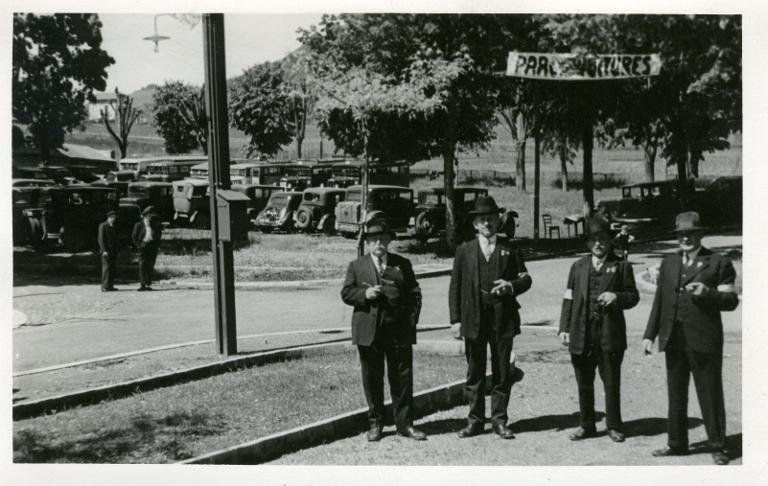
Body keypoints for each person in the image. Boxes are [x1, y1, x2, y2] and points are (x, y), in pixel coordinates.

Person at [642, 211, 739, 465]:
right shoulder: (669, 263)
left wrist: (708, 293)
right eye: (681, 234)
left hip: (704, 339)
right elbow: (660, 302)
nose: (685, 238)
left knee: (710, 393)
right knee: (676, 394)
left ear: (700, 235)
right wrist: (649, 335)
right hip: (673, 338)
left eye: (690, 234)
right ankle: (676, 443)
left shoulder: (718, 262)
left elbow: (731, 301)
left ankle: (718, 445)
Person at [449, 195, 532, 439]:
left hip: (502, 320)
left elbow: (526, 279)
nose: (487, 223)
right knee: (474, 372)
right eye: (482, 220)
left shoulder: (510, 249)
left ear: (498, 221)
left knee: (502, 372)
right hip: (474, 320)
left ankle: (499, 420)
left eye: (491, 219)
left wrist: (511, 286)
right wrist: (456, 320)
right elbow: (455, 287)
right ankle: (475, 421)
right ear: (475, 224)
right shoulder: (464, 250)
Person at [341, 216, 426, 442]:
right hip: (369, 333)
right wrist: (364, 295)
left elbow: (415, 296)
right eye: (373, 239)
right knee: (372, 378)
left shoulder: (402, 264)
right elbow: (346, 293)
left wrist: (410, 323)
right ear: (367, 243)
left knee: (401, 379)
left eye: (382, 239)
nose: (378, 243)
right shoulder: (356, 266)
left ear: (389, 241)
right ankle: (376, 423)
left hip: (398, 332)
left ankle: (405, 424)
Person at [558, 217, 639, 443]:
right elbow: (568, 298)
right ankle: (587, 425)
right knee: (584, 381)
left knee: (611, 381)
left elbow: (633, 296)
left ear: (610, 241)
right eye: (593, 240)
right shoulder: (578, 267)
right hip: (581, 333)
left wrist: (617, 296)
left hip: (609, 333)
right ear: (587, 243)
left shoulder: (621, 265)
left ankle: (614, 425)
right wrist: (564, 327)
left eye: (602, 239)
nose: (598, 244)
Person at [132, 206, 162, 291]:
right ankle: (142, 284)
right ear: (143, 217)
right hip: (143, 247)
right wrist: (139, 245)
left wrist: (157, 244)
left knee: (150, 265)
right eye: (147, 217)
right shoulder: (139, 225)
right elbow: (134, 237)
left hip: (151, 247)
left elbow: (158, 234)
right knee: (142, 265)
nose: (149, 218)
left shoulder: (153, 225)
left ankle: (148, 284)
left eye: (150, 217)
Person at [97, 210, 120, 292]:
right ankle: (104, 286)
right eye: (111, 217)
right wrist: (103, 250)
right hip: (106, 251)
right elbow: (101, 239)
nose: (113, 219)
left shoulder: (114, 226)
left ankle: (110, 285)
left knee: (112, 268)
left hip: (113, 250)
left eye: (114, 218)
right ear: (108, 218)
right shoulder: (103, 225)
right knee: (106, 268)